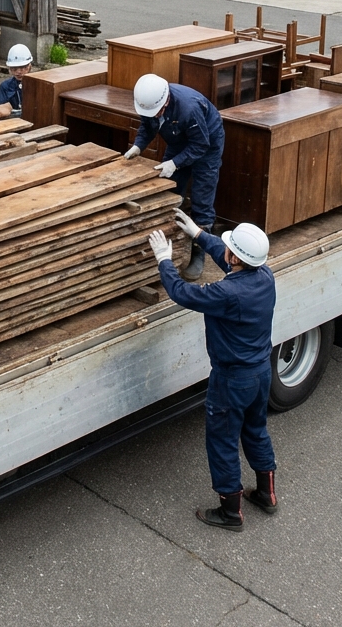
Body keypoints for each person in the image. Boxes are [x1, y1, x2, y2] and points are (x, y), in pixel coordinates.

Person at [148, 213, 278, 532]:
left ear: (237, 256)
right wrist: (198, 234)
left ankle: (230, 513)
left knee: (222, 440)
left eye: (228, 247)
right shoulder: (265, 276)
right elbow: (229, 258)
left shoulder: (227, 295)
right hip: (261, 372)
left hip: (232, 380)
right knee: (255, 430)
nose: (226, 251)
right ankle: (266, 494)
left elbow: (182, 294)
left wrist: (164, 261)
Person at [124, 74, 224, 280]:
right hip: (179, 139)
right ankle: (168, 242)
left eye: (157, 111)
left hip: (206, 145)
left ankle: (199, 252)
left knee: (202, 197)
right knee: (170, 188)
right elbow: (147, 125)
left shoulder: (188, 108)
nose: (154, 114)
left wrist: (175, 162)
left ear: (166, 100)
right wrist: (138, 145)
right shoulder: (150, 101)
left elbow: (200, 145)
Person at [0, 44, 32, 109]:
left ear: (29, 67)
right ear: (10, 68)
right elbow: (0, 110)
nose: (18, 72)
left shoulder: (38, 85)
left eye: (22, 68)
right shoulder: (5, 87)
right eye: (14, 68)